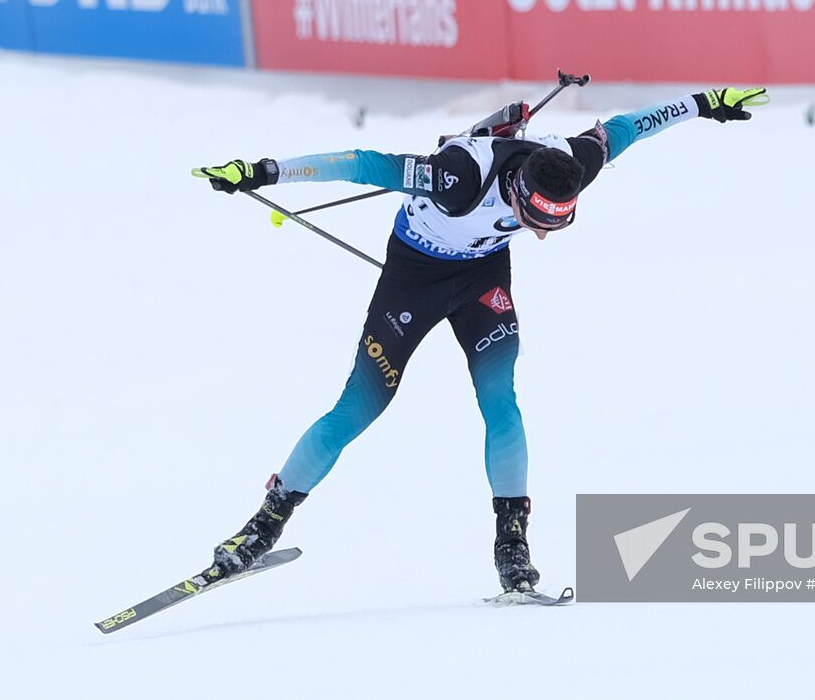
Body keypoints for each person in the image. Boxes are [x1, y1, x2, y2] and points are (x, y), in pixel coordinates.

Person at [192, 86, 769, 593]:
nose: (542, 236)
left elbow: (629, 128)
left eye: (556, 225)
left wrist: (706, 104)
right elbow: (362, 162)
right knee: (359, 408)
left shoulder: (572, 163)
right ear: (517, 190)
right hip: (413, 278)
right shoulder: (459, 176)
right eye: (536, 222)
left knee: (501, 402)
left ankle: (511, 541)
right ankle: (264, 525)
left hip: (481, 279)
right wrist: (265, 171)